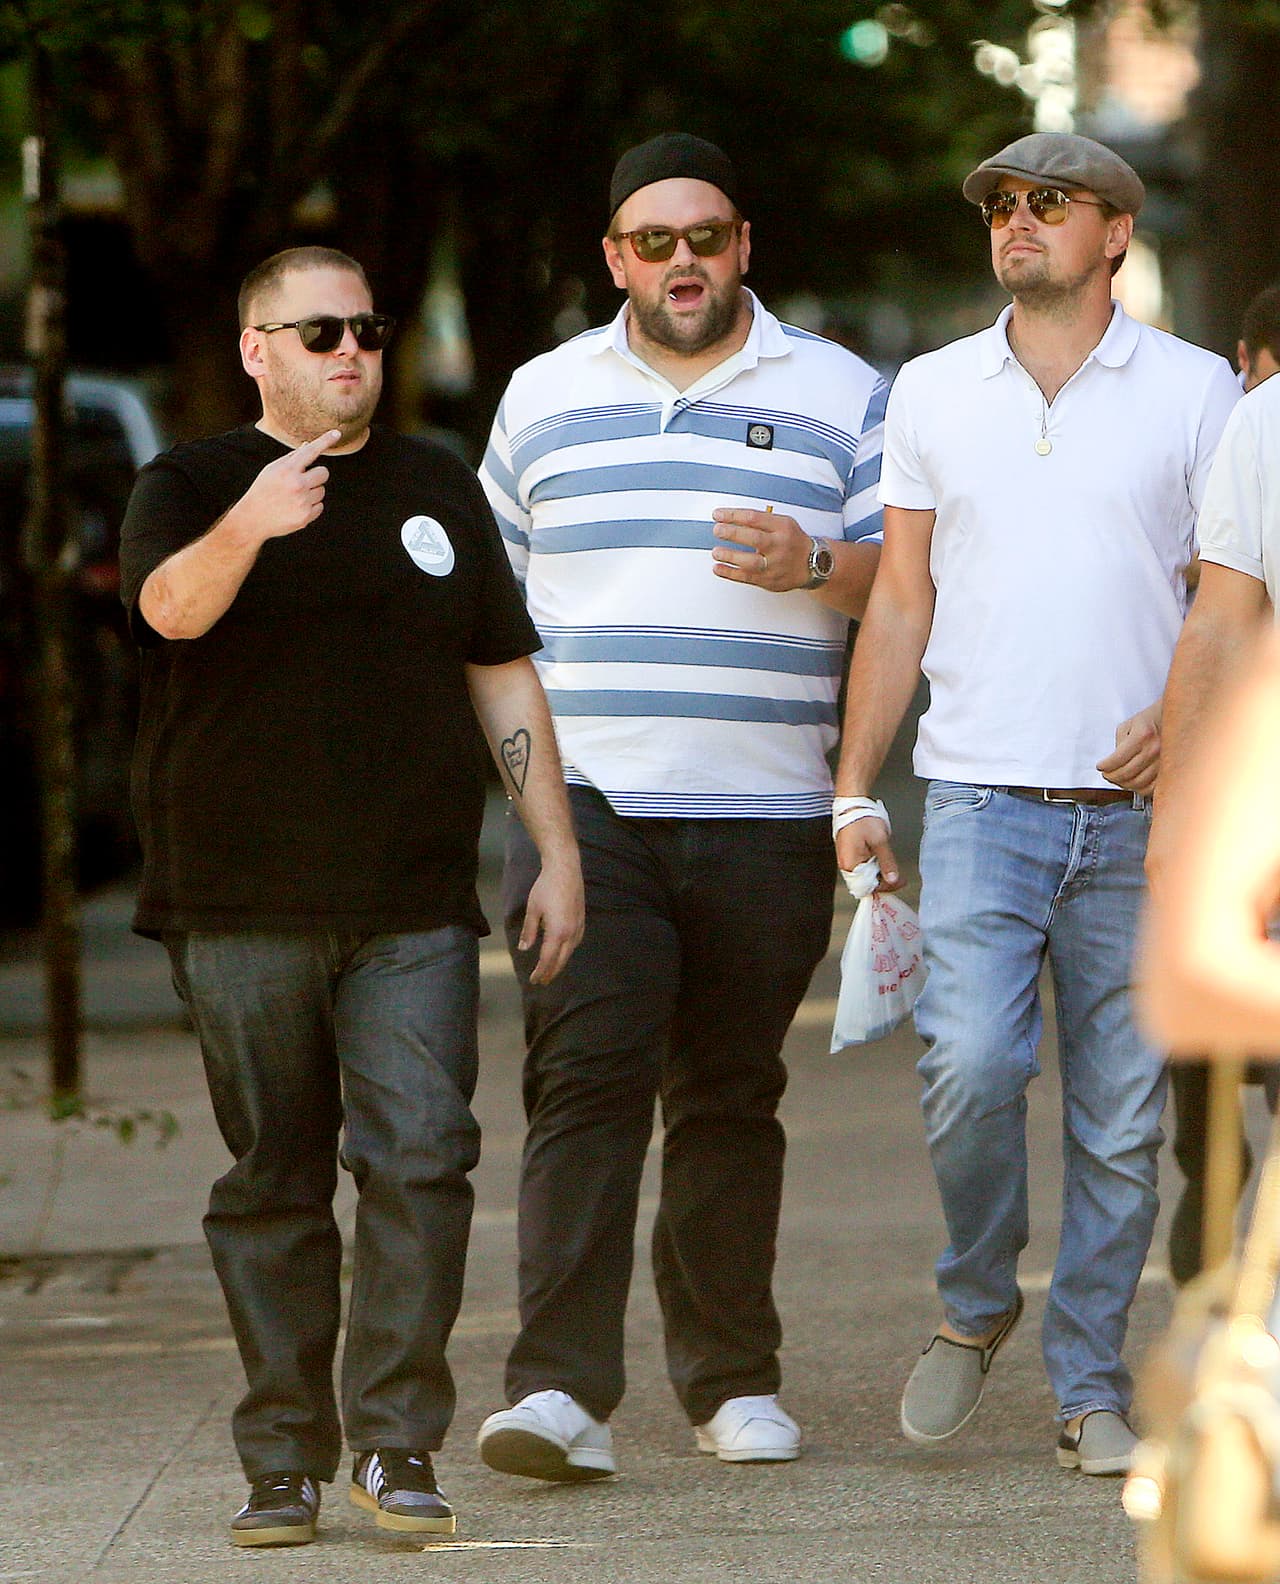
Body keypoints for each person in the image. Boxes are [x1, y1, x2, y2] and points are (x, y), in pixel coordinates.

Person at [118, 245, 584, 1547]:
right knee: (272, 1181)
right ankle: (281, 1459)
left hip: (412, 901)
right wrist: (254, 522)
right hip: (237, 900)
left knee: (424, 1161)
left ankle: (393, 1444)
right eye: (317, 332)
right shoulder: (193, 481)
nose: (349, 353)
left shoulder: (437, 482)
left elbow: (501, 672)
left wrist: (556, 845)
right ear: (256, 345)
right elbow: (166, 613)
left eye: (368, 329)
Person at [474, 132, 888, 1480]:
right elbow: (491, 625)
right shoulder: (542, 398)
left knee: (726, 1094)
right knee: (584, 1085)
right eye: (653, 242)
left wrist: (817, 560)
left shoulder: (840, 392)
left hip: (769, 811)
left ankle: (730, 1383)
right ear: (616, 259)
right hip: (588, 810)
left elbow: (911, 579)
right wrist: (533, 823)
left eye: (705, 237)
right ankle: (558, 1395)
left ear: (743, 245)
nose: (683, 262)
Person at [831, 131, 1240, 1477]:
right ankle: (974, 1304)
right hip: (981, 802)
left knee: (1122, 1128)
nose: (1019, 219)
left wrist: (1188, 723)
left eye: (1050, 202)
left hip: (1144, 825)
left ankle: (1087, 1385)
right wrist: (851, 790)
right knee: (970, 1071)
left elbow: (1238, 604)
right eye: (1004, 204)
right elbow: (900, 598)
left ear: (1114, 233)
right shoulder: (935, 392)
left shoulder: (1196, 394)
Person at [1149, 280, 1280, 1284]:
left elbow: (1218, 623)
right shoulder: (1260, 424)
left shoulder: (1255, 417)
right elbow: (1221, 621)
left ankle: (1209, 1199)